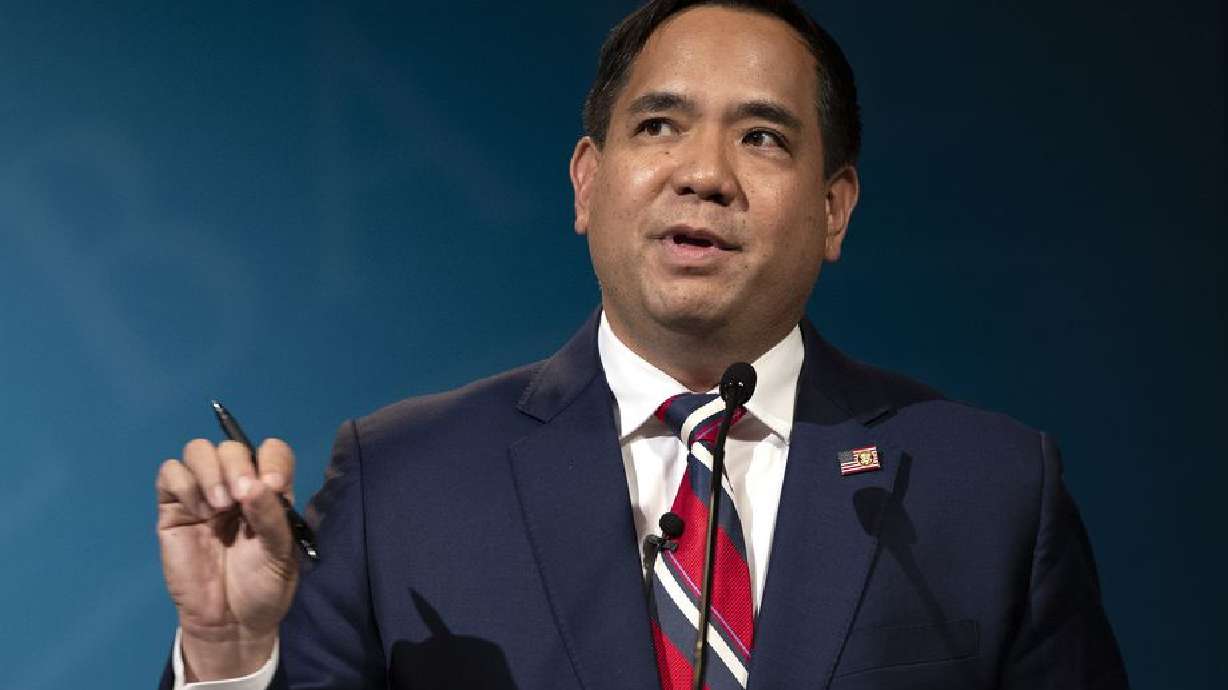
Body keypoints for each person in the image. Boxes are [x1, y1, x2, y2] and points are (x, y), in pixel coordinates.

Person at [155, 1, 1128, 688]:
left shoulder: (989, 491)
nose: (703, 174)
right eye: (660, 125)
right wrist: (230, 659)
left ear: (835, 209)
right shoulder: (402, 483)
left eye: (762, 138)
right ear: (587, 183)